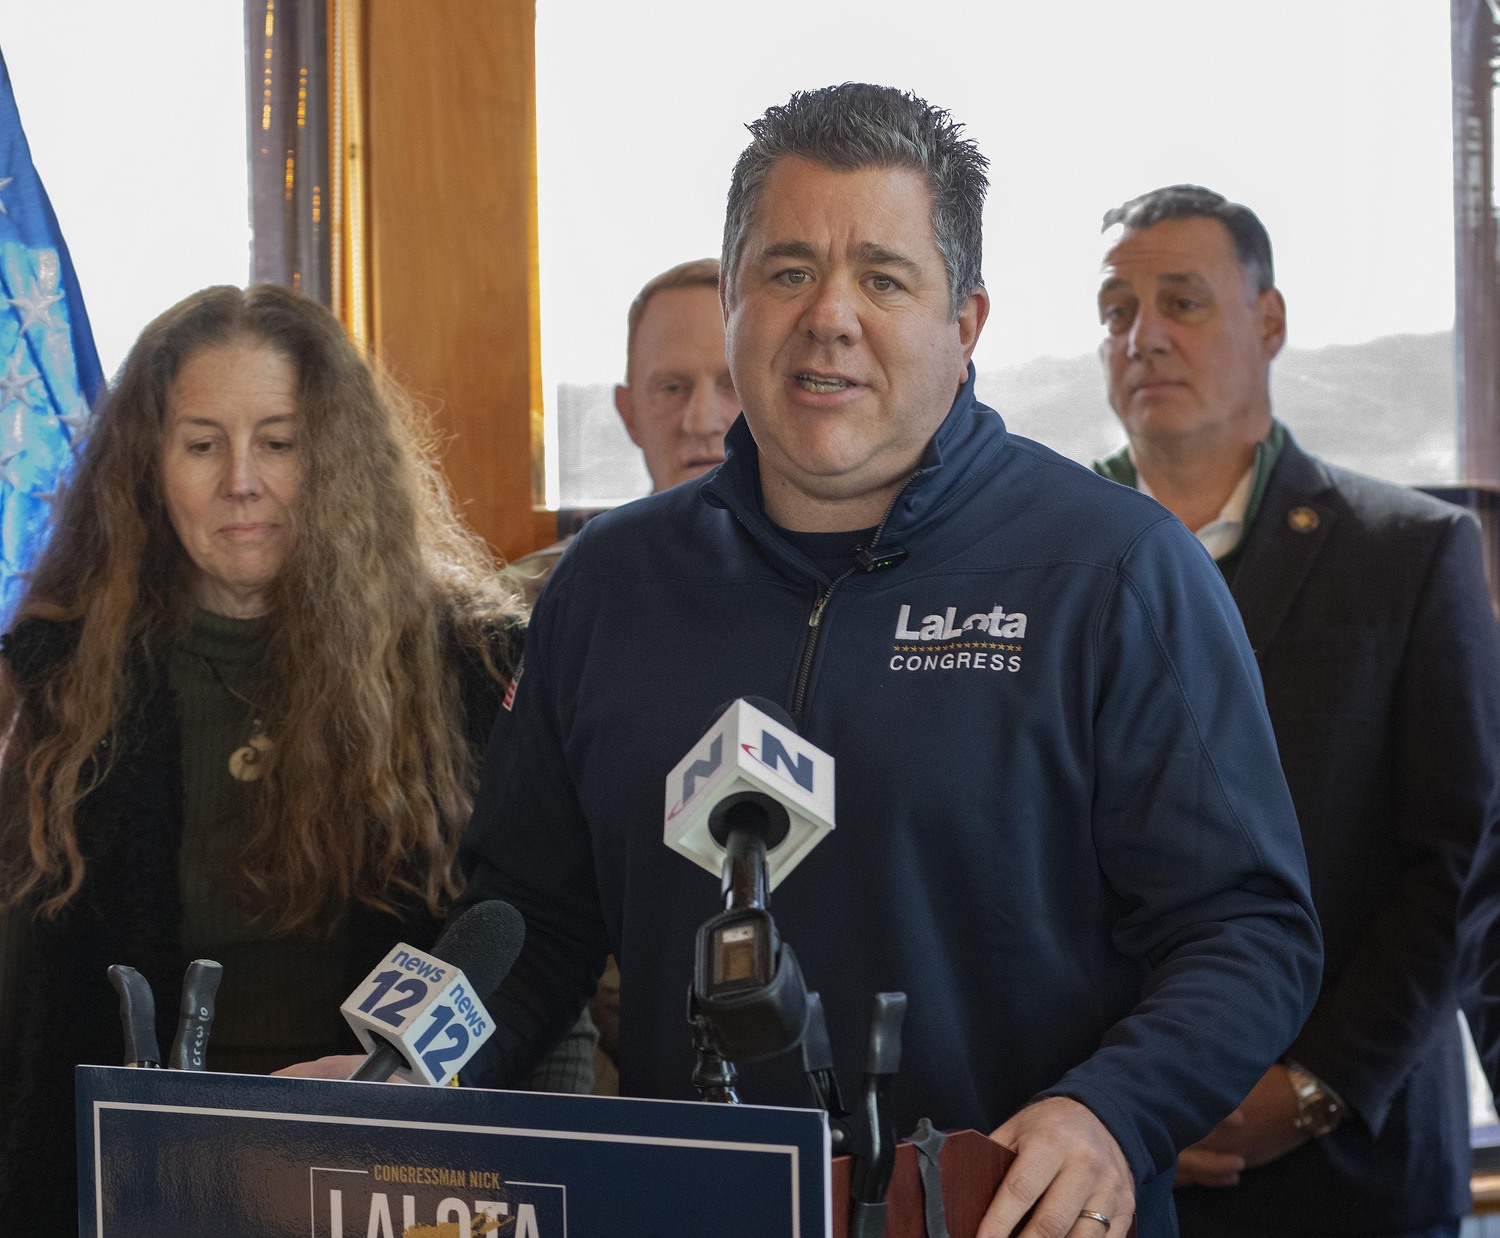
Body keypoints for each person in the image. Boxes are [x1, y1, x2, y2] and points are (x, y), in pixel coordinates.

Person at [459, 85, 1321, 1237]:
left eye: (882, 275)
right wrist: (393, 1073)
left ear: (964, 321)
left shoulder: (1114, 572)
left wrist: (1112, 1111)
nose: (829, 316)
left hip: (1004, 1213)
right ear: (730, 303)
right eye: (786, 271)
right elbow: (528, 922)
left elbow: (1250, 930)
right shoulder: (609, 586)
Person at [0, 284, 592, 1236]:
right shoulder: (62, 677)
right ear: (148, 469)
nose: (243, 479)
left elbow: (537, 970)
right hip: (138, 1189)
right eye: (202, 445)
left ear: (338, 458)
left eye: (279, 442)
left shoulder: (471, 667)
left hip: (402, 1181)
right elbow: (20, 999)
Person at [1091, 185, 1500, 1237]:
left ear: (1269, 322)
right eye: (1117, 310)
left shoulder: (1408, 554)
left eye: (1182, 301)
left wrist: (1311, 1083)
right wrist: (1119, 1096)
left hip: (1350, 1166)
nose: (1143, 336)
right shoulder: (1041, 568)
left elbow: (1456, 866)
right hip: (1100, 1163)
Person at [503, 257, 739, 604]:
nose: (701, 422)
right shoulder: (546, 597)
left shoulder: (828, 592)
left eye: (732, 384)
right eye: (672, 388)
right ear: (629, 415)